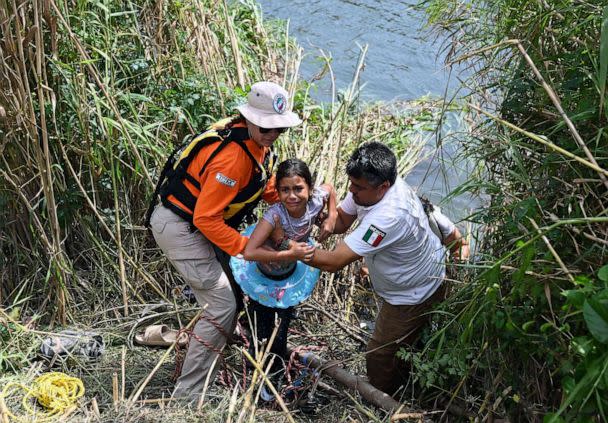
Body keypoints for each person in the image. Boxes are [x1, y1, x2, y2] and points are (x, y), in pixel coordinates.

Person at [147, 81, 305, 401]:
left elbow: (262, 185)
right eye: (265, 127)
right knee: (222, 303)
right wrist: (249, 250)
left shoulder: (255, 143)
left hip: (198, 223)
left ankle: (221, 345)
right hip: (180, 226)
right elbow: (206, 218)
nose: (272, 134)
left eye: (279, 129)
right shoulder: (232, 158)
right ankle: (187, 397)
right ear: (248, 119)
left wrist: (294, 204)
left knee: (233, 290)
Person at [273, 141, 469, 396]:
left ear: (383, 187)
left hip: (413, 292)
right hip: (412, 270)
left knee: (379, 355)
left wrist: (288, 246)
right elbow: (343, 219)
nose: (351, 191)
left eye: (358, 187)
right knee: (404, 344)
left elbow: (334, 262)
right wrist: (323, 218)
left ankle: (387, 398)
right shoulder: (375, 186)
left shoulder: (389, 216)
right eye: (351, 184)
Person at [229, 159, 336, 393]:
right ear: (277, 192)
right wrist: (289, 253)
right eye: (285, 190)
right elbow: (249, 252)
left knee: (282, 328)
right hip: (263, 275)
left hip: (288, 277)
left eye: (298, 189)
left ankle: (274, 376)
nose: (292, 196)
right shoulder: (274, 216)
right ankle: (257, 377)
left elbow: (330, 187)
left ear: (309, 188)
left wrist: (332, 215)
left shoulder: (316, 201)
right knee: (263, 329)